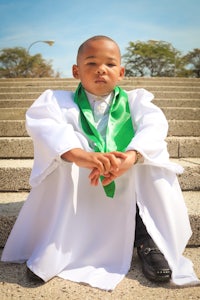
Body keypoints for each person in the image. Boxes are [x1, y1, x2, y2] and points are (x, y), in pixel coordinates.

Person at [1, 35, 199, 291]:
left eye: (109, 64)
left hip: (128, 177)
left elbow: (154, 127)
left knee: (152, 157)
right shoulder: (57, 101)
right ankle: (55, 244)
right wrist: (79, 155)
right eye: (91, 63)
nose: (101, 69)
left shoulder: (136, 101)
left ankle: (146, 238)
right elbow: (46, 128)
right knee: (63, 153)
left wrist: (131, 156)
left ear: (121, 72)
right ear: (76, 71)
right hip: (80, 182)